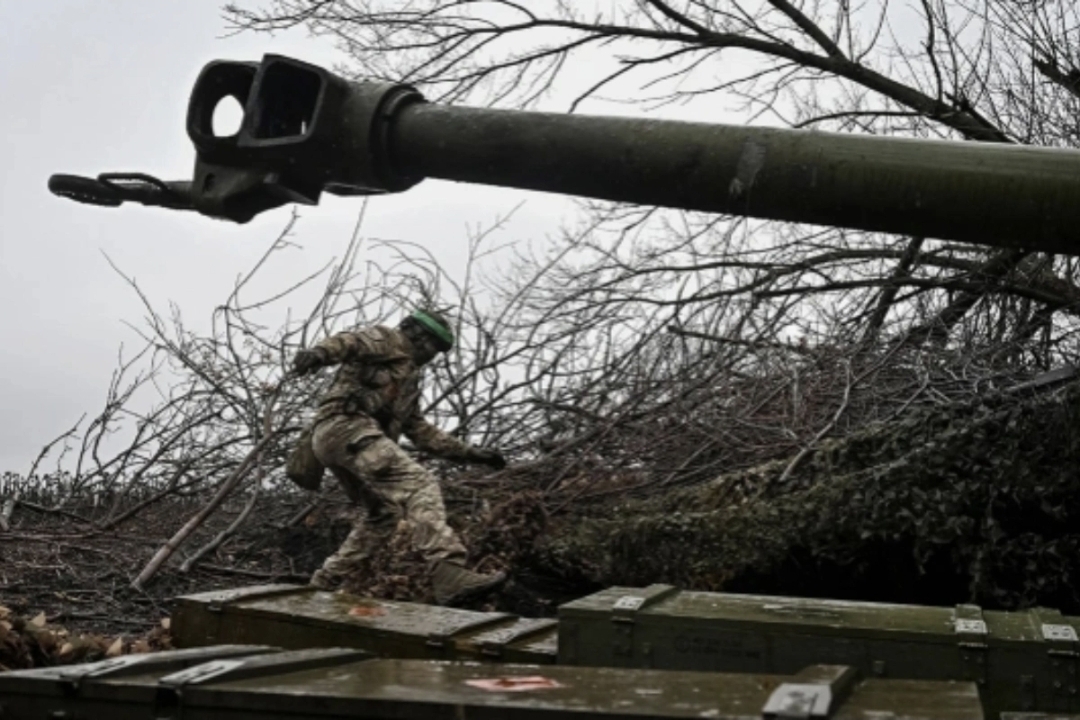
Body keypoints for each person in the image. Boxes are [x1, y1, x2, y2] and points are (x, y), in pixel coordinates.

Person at [292, 309, 508, 604]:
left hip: (343, 439)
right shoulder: (389, 339)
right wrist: (318, 353)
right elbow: (351, 341)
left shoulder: (408, 380)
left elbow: (419, 431)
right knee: (419, 484)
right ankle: (448, 570)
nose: (434, 355)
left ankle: (324, 582)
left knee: (383, 515)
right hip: (347, 427)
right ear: (418, 335)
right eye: (434, 346)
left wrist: (471, 454)